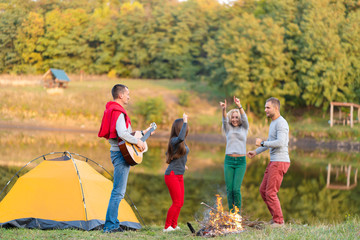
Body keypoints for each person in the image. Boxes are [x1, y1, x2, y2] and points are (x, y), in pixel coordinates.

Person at [98, 84, 152, 233]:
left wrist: (142, 133)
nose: (129, 96)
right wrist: (138, 141)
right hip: (120, 154)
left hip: (118, 152)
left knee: (118, 191)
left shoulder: (111, 110)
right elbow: (122, 133)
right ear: (121, 95)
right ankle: (110, 226)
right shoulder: (118, 112)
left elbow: (123, 134)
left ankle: (113, 222)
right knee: (118, 192)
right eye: (128, 94)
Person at [247, 97, 290, 227]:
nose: (265, 110)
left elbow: (280, 143)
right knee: (263, 191)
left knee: (270, 193)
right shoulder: (273, 123)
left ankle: (279, 221)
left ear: (276, 108)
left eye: (268, 107)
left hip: (280, 161)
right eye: (265, 107)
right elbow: (270, 143)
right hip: (274, 161)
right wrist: (256, 151)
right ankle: (275, 218)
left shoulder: (281, 123)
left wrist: (262, 142)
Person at [220, 96, 249, 214]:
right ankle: (231, 213)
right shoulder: (228, 129)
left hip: (241, 162)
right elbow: (224, 120)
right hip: (229, 161)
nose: (235, 119)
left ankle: (237, 214)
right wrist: (224, 109)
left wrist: (239, 106)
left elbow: (245, 118)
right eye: (232, 117)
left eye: (237, 117)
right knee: (229, 189)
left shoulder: (244, 128)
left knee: (236, 189)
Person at [163, 113, 189, 232]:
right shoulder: (175, 140)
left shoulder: (179, 143)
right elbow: (181, 138)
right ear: (180, 128)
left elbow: (170, 154)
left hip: (179, 174)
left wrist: (183, 164)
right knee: (176, 202)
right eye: (184, 127)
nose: (187, 128)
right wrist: (185, 121)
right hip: (172, 175)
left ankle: (174, 225)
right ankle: (167, 226)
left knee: (180, 202)